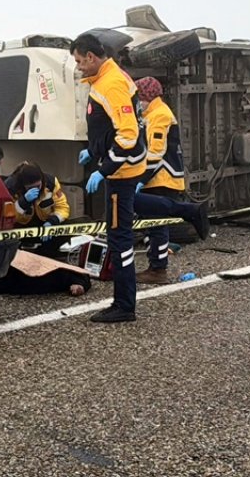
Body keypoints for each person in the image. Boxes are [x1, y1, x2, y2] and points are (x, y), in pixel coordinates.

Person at [71, 30, 146, 323]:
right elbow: (111, 126)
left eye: (79, 61)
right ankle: (123, 302)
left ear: (91, 57)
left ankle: (124, 305)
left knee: (119, 239)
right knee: (121, 231)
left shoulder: (111, 84)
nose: (77, 66)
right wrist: (94, 150)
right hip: (122, 167)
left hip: (122, 172)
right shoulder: (107, 77)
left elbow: (128, 134)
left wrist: (104, 169)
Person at [130, 76, 210, 284]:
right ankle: (157, 263)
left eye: (139, 97)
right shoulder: (151, 113)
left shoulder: (159, 115)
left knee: (156, 225)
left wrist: (140, 178)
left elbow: (156, 152)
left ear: (147, 96)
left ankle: (157, 270)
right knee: (154, 224)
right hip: (159, 177)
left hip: (161, 177)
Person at [4, 162, 71, 256]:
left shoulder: (51, 183)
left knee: (66, 228)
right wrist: (23, 203)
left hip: (45, 224)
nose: (36, 190)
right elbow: (8, 218)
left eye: (38, 186)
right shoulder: (11, 188)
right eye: (31, 188)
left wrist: (52, 222)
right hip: (22, 227)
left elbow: (62, 207)